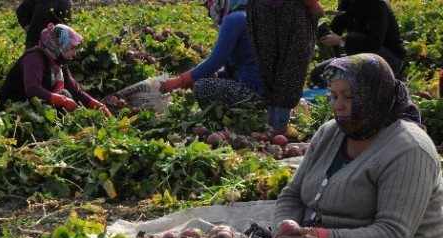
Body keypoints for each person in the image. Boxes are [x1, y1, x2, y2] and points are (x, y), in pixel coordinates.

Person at [269, 53, 443, 238]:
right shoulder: (330, 133)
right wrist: (283, 237)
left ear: (376, 97)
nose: (337, 105)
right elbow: (291, 196)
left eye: (349, 97)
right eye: (334, 95)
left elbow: (393, 234)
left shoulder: (410, 149)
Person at [160, 0, 265, 108]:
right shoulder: (254, 19)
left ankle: (219, 122)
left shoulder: (234, 20)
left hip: (252, 94)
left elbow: (214, 62)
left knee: (202, 87)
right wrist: (219, 75)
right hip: (268, 95)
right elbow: (247, 65)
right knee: (207, 77)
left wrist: (179, 81)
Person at [0, 24, 112, 116]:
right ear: (59, 46)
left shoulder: (58, 62)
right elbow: (32, 90)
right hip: (13, 109)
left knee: (66, 95)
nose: (74, 53)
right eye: (72, 48)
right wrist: (64, 102)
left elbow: (76, 92)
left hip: (33, 108)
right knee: (64, 98)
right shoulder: (34, 58)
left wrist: (101, 107)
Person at [246, 0, 325, 140]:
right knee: (291, 64)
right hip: (287, 10)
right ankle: (278, 126)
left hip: (262, 8)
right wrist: (314, 5)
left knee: (270, 65)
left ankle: (273, 123)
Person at [309, 0, 406, 89]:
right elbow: (335, 30)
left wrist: (342, 40)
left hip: (388, 59)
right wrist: (323, 32)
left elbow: (375, 43)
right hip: (357, 57)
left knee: (354, 38)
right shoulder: (346, 4)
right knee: (317, 75)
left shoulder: (378, 4)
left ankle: (360, 87)